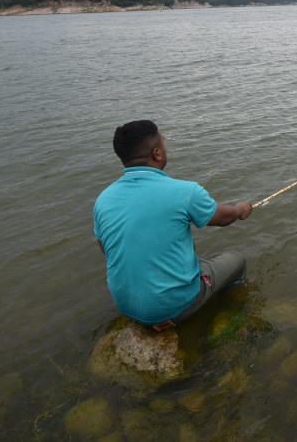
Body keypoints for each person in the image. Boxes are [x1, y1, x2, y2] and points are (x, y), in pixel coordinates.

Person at [93, 120, 252, 330]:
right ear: (157, 153)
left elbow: (107, 250)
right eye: (164, 143)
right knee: (236, 260)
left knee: (195, 258)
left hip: (126, 306)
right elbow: (223, 217)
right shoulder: (185, 192)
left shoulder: (103, 200)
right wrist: (242, 209)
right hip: (171, 308)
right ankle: (228, 310)